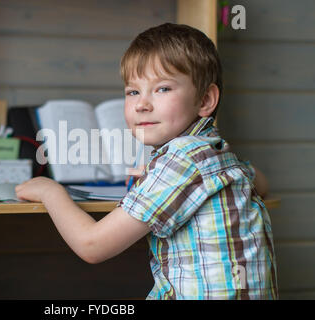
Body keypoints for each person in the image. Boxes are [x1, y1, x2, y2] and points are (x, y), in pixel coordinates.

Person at [15, 23, 278, 300]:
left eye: (162, 89)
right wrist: (161, 177)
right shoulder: (215, 151)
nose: (142, 104)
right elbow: (261, 181)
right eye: (133, 92)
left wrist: (50, 191)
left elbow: (91, 246)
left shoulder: (181, 159)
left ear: (205, 100)